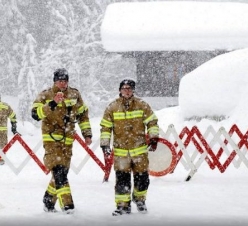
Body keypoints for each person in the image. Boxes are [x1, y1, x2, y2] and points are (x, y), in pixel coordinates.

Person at [31, 68, 92, 214]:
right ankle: (68, 206)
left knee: (62, 173)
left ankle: (48, 200)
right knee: (59, 172)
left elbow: (83, 115)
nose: (62, 84)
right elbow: (35, 115)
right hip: (51, 140)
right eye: (60, 81)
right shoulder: (45, 95)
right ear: (54, 81)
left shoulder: (74, 94)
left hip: (68, 140)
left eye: (65, 81)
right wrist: (52, 103)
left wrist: (87, 134)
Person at [99, 79, 159, 216]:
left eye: (129, 88)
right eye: (124, 88)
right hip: (121, 152)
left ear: (133, 90)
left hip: (139, 151)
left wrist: (154, 137)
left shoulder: (142, 105)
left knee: (142, 178)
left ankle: (140, 200)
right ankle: (122, 206)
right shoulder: (112, 107)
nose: (127, 90)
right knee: (122, 179)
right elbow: (105, 127)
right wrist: (104, 144)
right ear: (120, 90)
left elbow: (152, 122)